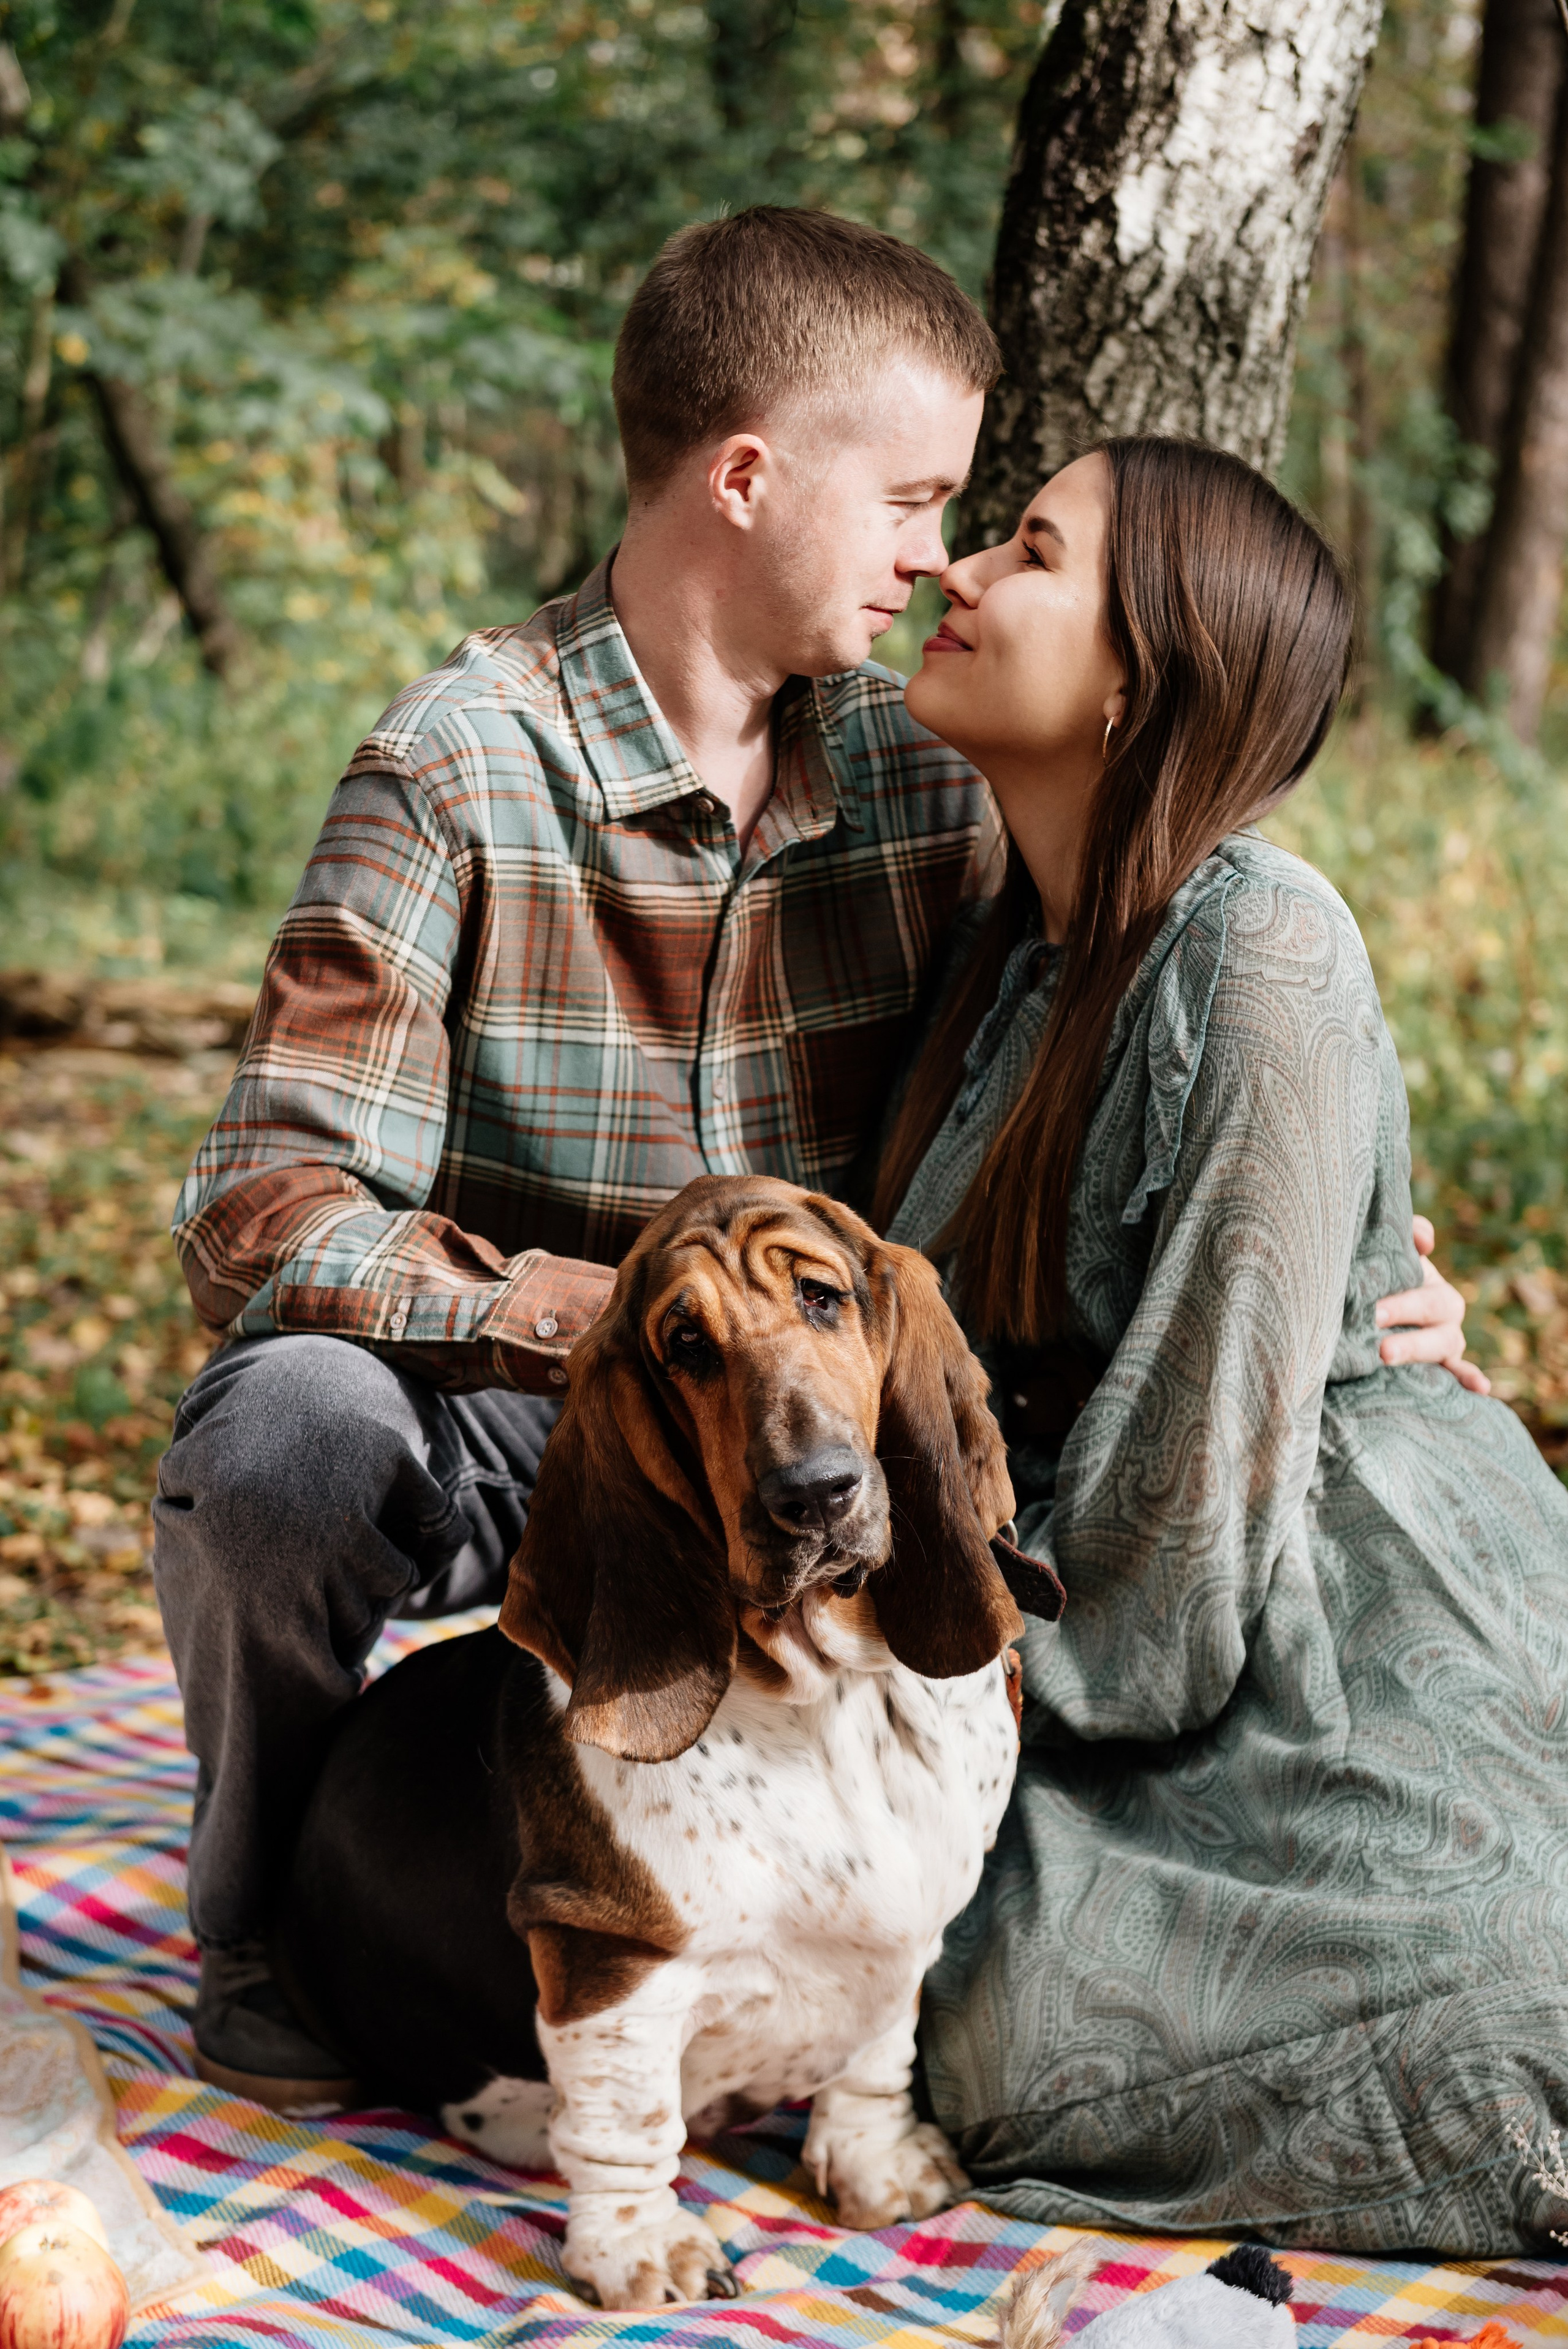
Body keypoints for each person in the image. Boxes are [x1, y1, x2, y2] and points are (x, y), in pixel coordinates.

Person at [155, 209, 1472, 2109]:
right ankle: (268, 1913)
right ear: (749, 477)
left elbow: (1113, 1058)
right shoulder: (456, 770)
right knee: (279, 1435)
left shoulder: (935, 776)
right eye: (916, 499)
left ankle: (790, 1925)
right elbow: (263, 1201)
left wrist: (1349, 1276)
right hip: (532, 1402)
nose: (941, 554)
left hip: (824, 1414)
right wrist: (599, 1322)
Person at [872, 436, 1568, 2256]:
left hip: (1286, 1593)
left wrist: (952, 1689)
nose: (957, 570)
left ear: (1145, 666)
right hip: (1058, 1582)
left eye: (1031, 550)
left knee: (1024, 2033)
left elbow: (1206, 1454)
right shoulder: (1004, 958)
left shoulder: (1265, 942)